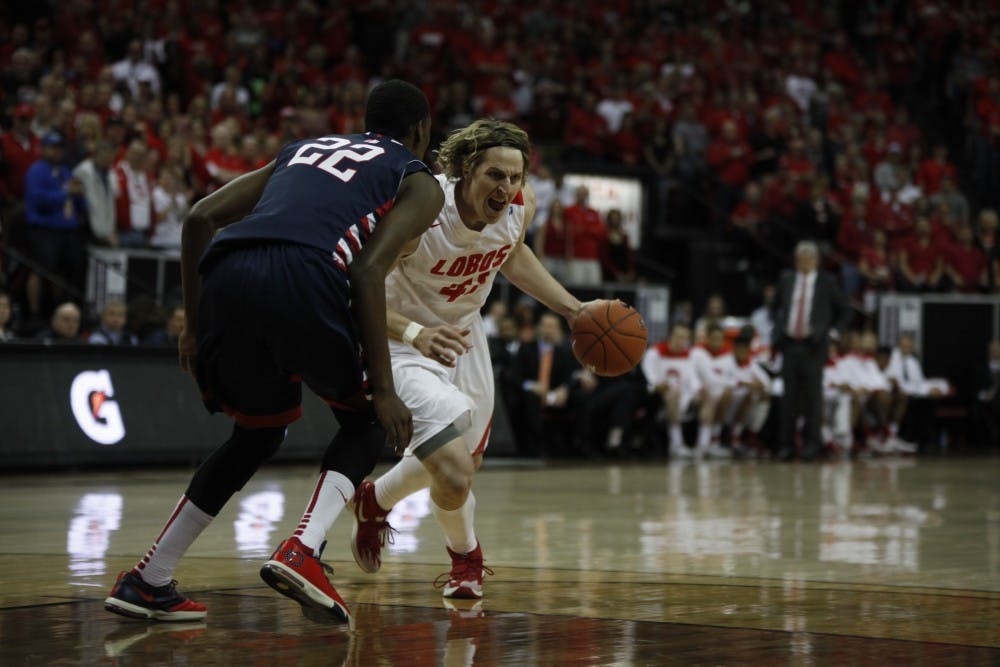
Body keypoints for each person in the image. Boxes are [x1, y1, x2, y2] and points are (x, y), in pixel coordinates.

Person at [104, 80, 443, 625]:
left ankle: (149, 579)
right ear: (422, 130)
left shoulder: (304, 149)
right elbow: (368, 269)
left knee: (256, 433)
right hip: (305, 274)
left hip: (226, 273)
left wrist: (192, 324)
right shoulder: (418, 179)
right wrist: (382, 389)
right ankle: (302, 551)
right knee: (365, 424)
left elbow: (198, 219)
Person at [349, 119, 589, 600]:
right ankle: (467, 559)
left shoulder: (521, 207)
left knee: (465, 465)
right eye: (494, 176)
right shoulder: (423, 210)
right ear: (464, 170)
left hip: (463, 332)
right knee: (454, 469)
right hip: (401, 337)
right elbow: (360, 289)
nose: (506, 188)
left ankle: (376, 500)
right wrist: (413, 333)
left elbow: (510, 254)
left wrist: (573, 309)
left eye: (514, 177)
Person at [771, 241, 850, 461]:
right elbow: (774, 305)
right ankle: (786, 446)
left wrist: (833, 333)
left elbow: (845, 310)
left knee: (813, 399)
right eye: (799, 259)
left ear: (816, 261)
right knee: (788, 398)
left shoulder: (828, 282)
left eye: (807, 259)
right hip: (789, 344)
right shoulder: (786, 279)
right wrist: (777, 328)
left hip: (814, 347)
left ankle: (811, 445)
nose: (803, 263)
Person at [23, 131, 86, 321]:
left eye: (59, 148)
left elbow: (79, 201)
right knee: (40, 270)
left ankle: (58, 311)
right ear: (43, 149)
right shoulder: (36, 170)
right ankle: (33, 312)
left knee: (61, 273)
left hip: (67, 230)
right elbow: (37, 199)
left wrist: (79, 194)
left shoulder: (66, 171)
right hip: (44, 229)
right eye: (51, 147)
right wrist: (66, 193)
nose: (56, 152)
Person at [640, 323, 702, 458]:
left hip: (686, 398)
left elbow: (694, 379)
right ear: (670, 337)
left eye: (685, 338)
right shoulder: (654, 353)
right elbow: (651, 380)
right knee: (673, 392)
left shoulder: (688, 355)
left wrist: (697, 392)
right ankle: (676, 443)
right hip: (659, 398)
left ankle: (705, 445)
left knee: (707, 394)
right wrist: (660, 386)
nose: (682, 341)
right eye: (679, 337)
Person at [73, 141, 118, 247]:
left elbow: (111, 205)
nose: (107, 161)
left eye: (110, 158)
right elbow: (76, 197)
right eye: (104, 157)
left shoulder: (111, 174)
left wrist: (111, 230)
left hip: (105, 230)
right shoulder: (83, 171)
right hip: (85, 227)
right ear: (96, 155)